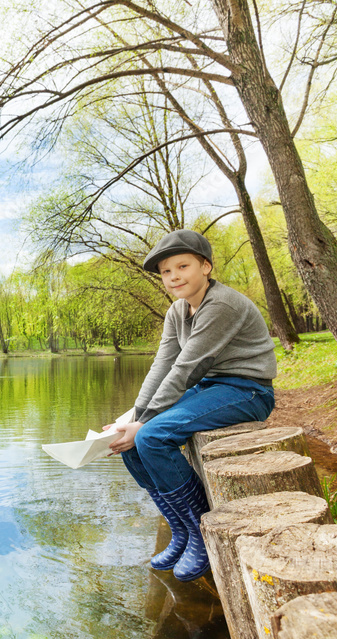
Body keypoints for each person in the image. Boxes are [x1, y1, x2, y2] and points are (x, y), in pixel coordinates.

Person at [106, 229, 276, 582]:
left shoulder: (222, 305)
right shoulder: (176, 311)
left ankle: (201, 532)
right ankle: (181, 529)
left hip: (247, 391)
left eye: (182, 266)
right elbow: (163, 365)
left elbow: (186, 367)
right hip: (209, 387)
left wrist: (145, 424)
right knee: (131, 443)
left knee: (151, 437)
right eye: (167, 272)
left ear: (206, 267)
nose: (173, 277)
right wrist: (135, 415)